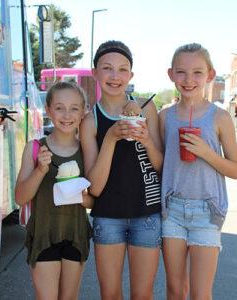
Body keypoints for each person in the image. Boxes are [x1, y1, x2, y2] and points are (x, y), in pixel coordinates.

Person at [80, 40, 163, 299]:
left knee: (142, 294)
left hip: (147, 214)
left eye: (122, 69)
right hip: (108, 217)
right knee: (110, 293)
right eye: (107, 68)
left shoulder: (147, 107)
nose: (115, 76)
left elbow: (161, 167)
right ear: (95, 73)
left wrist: (146, 138)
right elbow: (94, 186)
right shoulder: (90, 120)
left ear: (131, 75)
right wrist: (111, 138)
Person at [159, 43, 237, 299]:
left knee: (200, 293)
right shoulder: (165, 117)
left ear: (210, 75)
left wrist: (206, 152)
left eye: (197, 72)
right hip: (171, 210)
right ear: (171, 74)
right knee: (175, 290)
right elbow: (162, 164)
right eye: (181, 72)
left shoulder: (220, 117)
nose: (188, 79)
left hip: (207, 211)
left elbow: (236, 169)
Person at [15, 81, 93, 299]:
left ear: (83, 112)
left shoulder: (87, 150)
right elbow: (20, 197)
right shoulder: (35, 147)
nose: (66, 115)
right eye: (59, 107)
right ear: (48, 110)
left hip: (75, 233)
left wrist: (81, 197)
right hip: (44, 233)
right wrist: (40, 170)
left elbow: (94, 202)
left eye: (74, 108)